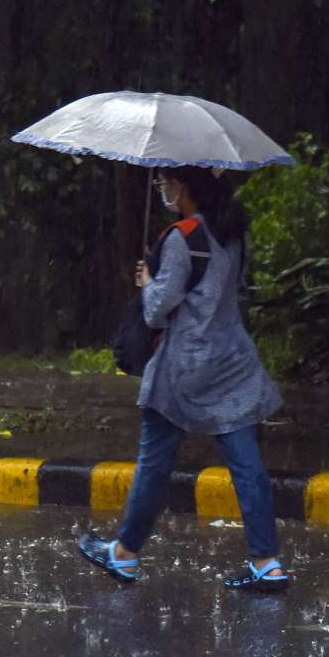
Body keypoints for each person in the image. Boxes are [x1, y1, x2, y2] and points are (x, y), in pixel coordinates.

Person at [79, 166, 290, 592]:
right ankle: (267, 562)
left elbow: (157, 309)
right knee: (248, 465)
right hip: (233, 363)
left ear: (185, 186)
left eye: (165, 182)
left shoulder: (181, 237)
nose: (162, 189)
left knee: (155, 465)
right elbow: (238, 292)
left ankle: (124, 554)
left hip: (183, 369)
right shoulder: (234, 231)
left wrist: (147, 281)